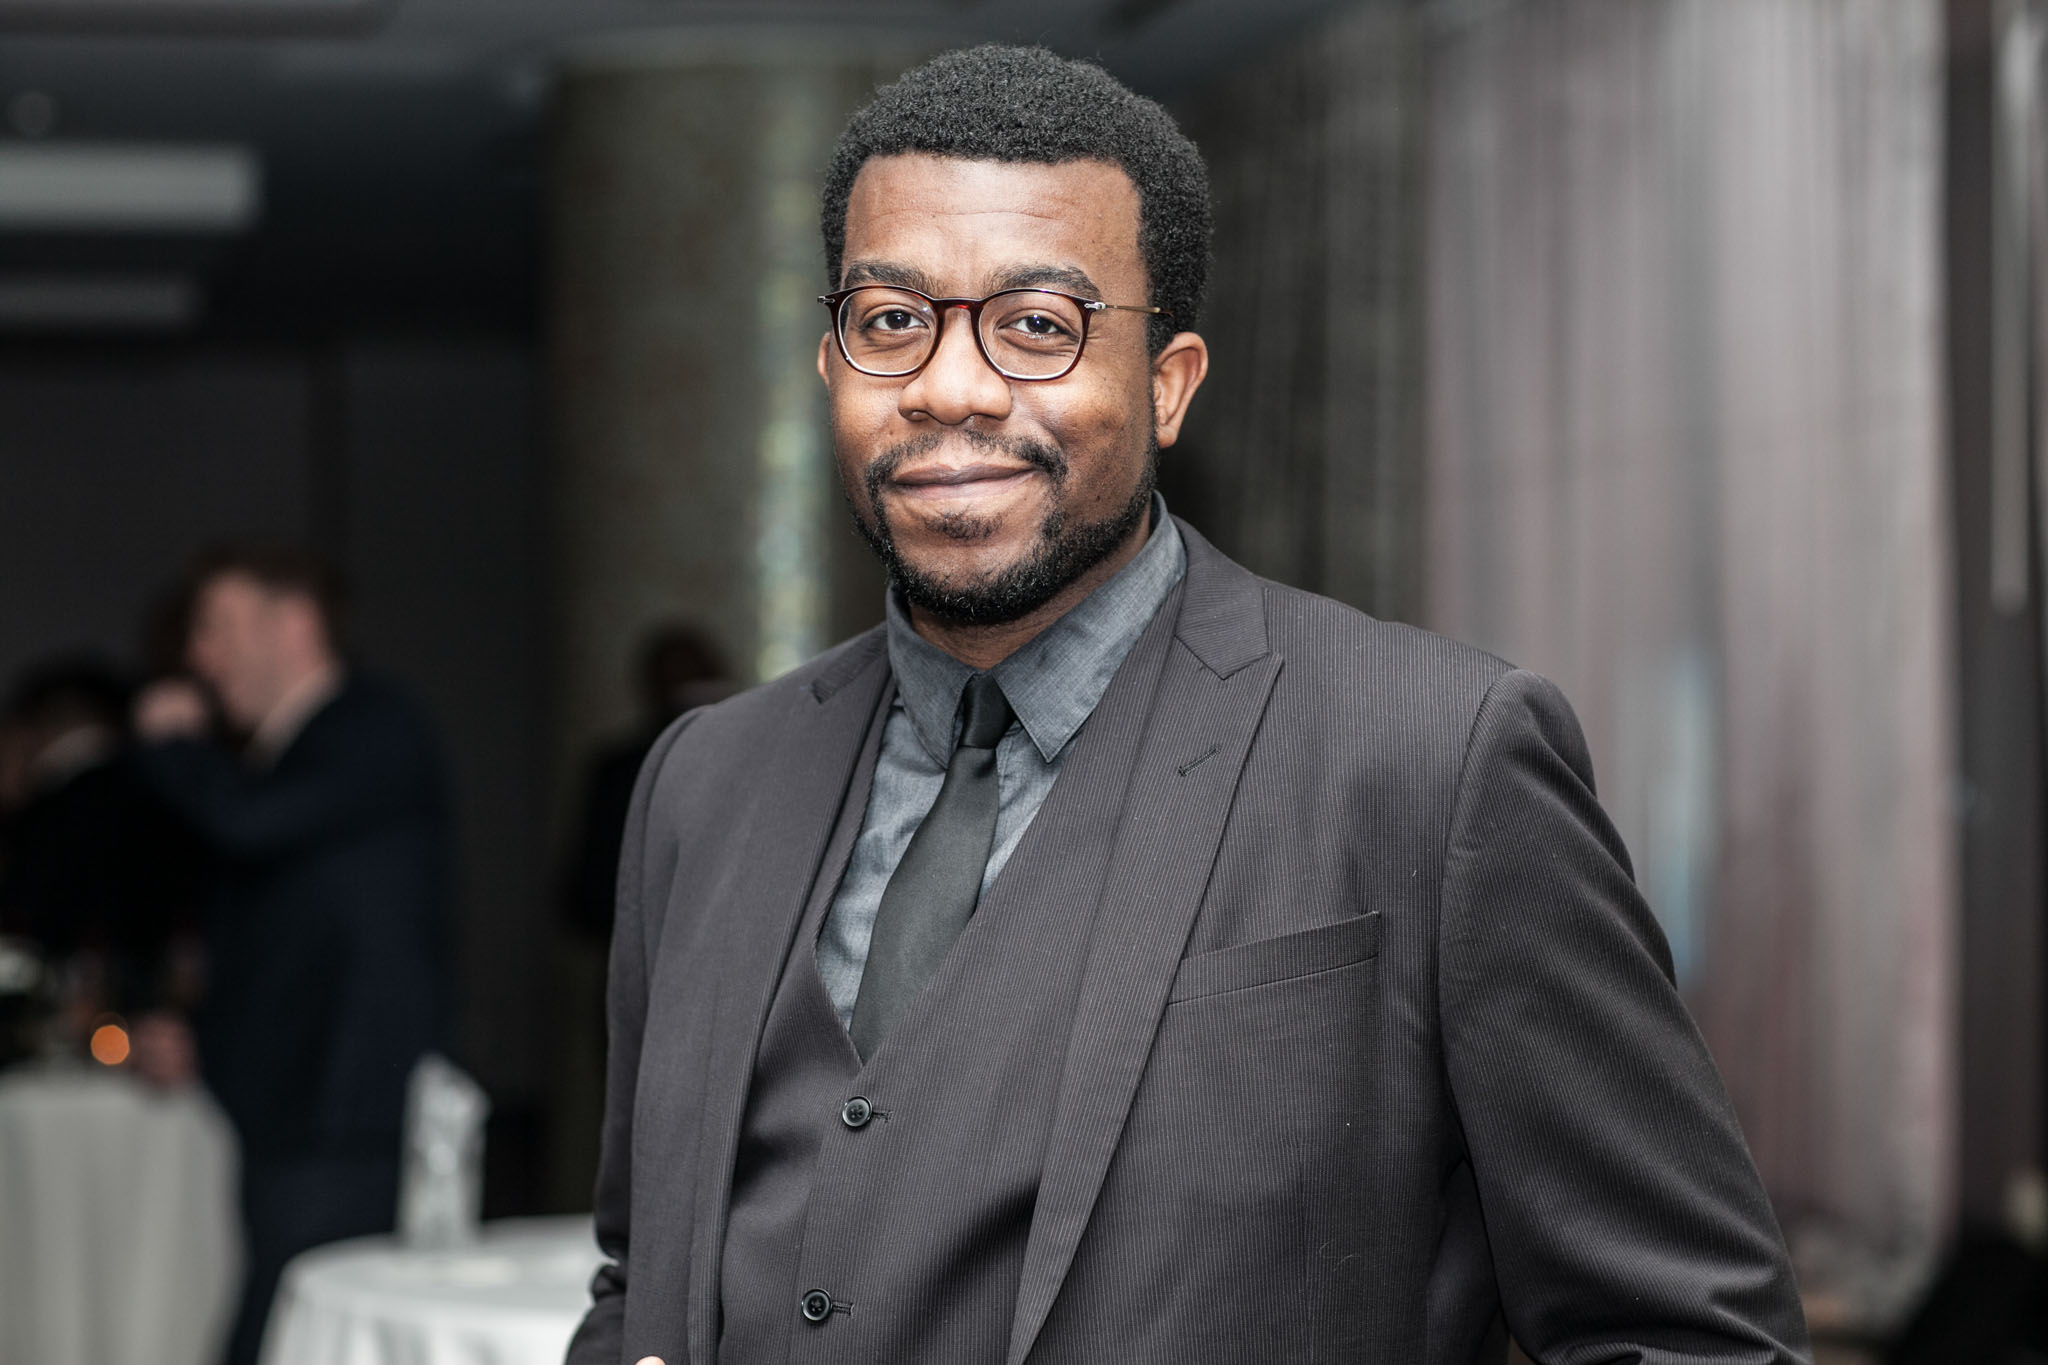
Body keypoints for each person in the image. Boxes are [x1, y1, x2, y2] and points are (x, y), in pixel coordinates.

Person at [569, 45, 1811, 1365]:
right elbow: (643, 1277)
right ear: (831, 368)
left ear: (1167, 385)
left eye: (1036, 326)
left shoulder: (1434, 761)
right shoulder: (702, 784)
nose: (949, 386)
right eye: (891, 322)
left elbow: (1692, 1336)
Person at [133, 545, 449, 1365]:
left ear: (297, 623)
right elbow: (285, 944)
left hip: (341, 1111)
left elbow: (250, 825)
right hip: (298, 1113)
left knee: (284, 1339)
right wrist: (200, 1032)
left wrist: (172, 742)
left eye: (218, 626)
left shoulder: (373, 723)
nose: (200, 657)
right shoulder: (281, 755)